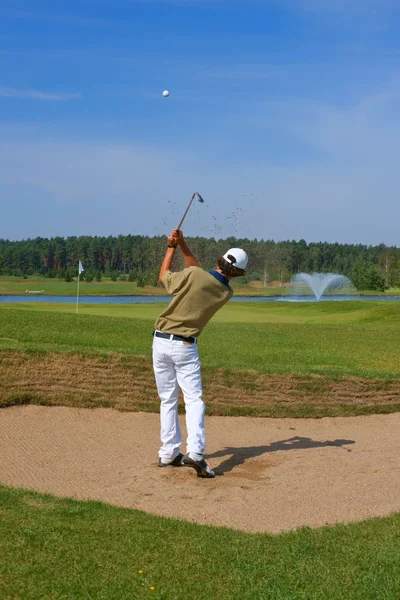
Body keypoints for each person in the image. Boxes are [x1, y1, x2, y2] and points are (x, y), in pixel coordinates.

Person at [152, 228, 249, 478]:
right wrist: (182, 244)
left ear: (220, 259)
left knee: (168, 399)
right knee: (193, 400)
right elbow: (199, 272)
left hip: (160, 342)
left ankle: (168, 453)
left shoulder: (194, 274)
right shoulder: (226, 292)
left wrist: (172, 247)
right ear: (237, 273)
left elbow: (164, 275)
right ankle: (194, 452)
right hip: (185, 346)